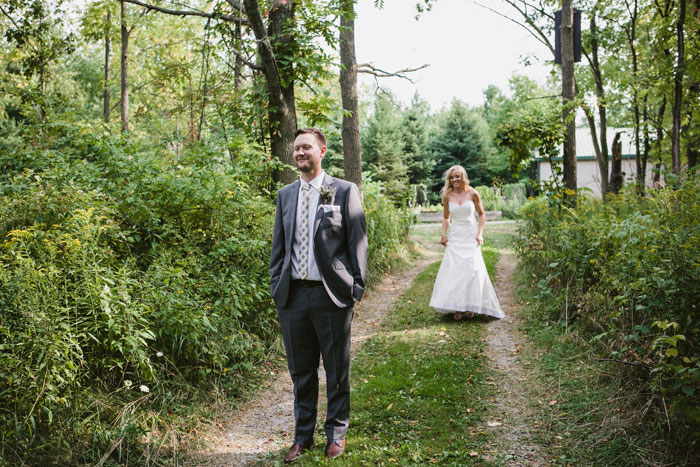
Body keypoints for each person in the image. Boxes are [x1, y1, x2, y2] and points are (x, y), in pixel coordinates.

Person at [270, 128, 368, 463]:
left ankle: (336, 434)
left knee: (337, 370)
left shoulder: (343, 190)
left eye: (306, 147)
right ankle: (302, 436)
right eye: (296, 148)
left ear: (322, 151)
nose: (299, 153)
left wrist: (356, 285)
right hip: (293, 297)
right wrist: (276, 284)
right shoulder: (285, 195)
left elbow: (357, 240)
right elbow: (279, 248)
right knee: (301, 372)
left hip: (332, 296)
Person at [429, 165, 504, 320]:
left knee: (473, 269)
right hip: (456, 236)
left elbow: (482, 215)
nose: (455, 179)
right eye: (452, 177)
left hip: (470, 235)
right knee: (456, 270)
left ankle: (471, 305)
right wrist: (443, 234)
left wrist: (480, 234)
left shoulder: (473, 193)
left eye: (457, 176)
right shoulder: (447, 195)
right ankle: (458, 307)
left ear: (463, 177)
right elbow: (446, 217)